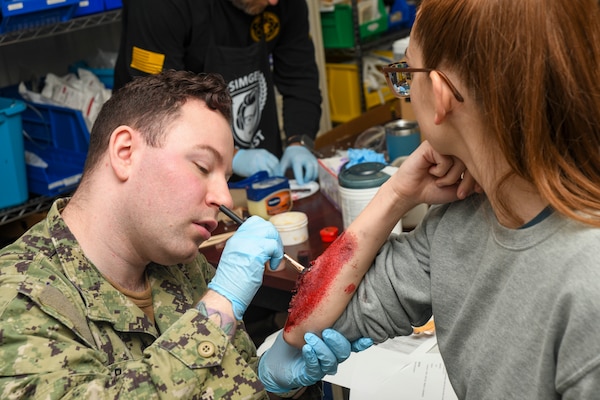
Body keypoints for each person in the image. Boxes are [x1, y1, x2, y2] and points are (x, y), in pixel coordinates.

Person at [283, 0, 600, 398]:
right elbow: (305, 328)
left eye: (405, 72)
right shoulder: (459, 220)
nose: (405, 90)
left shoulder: (588, 280)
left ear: (439, 94)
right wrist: (396, 193)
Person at [0, 70, 369, 399]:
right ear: (125, 152)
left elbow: (211, 386)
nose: (223, 198)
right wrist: (219, 307)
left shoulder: (182, 265)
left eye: (226, 179)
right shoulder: (18, 296)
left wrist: (265, 382)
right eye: (202, 166)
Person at [114, 0, 321, 185]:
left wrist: (299, 142)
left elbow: (299, 76)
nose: (274, 2)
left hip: (257, 163)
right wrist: (231, 155)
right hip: (174, 163)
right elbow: (155, 105)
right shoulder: (159, 6)